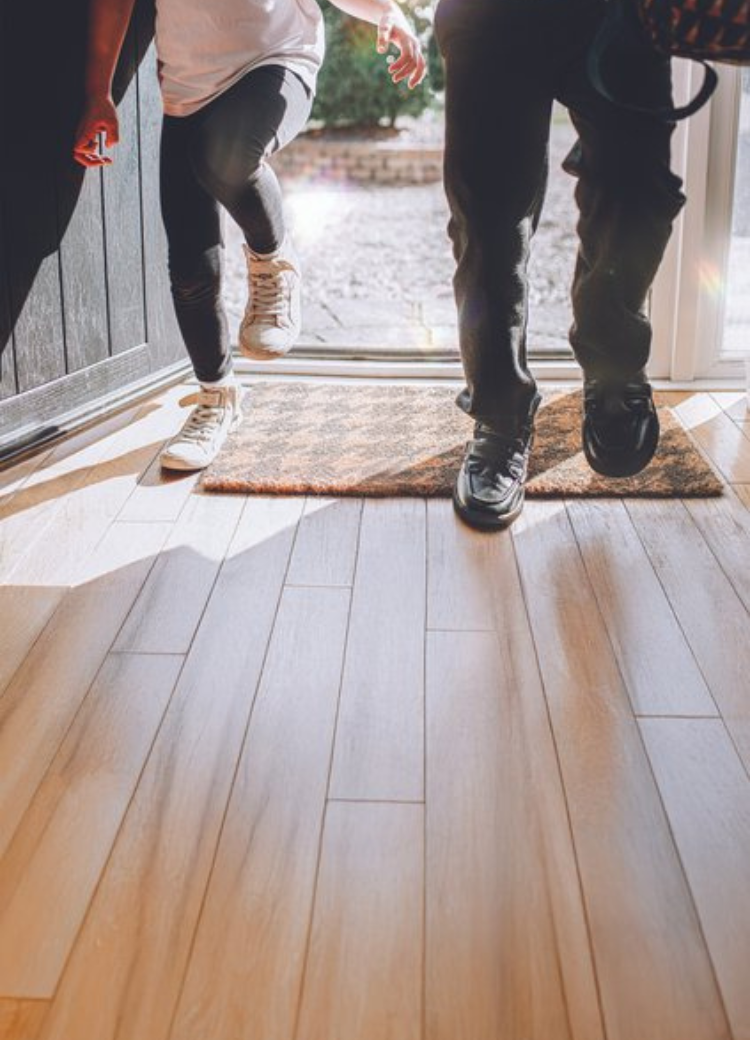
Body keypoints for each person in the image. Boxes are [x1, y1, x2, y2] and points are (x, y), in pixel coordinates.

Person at [74, 0, 426, 470]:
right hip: (187, 88)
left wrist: (388, 12)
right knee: (190, 270)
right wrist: (99, 93)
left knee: (228, 154)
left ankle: (272, 259)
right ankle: (218, 398)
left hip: (277, 58)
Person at [435, 0, 686, 529]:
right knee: (486, 219)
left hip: (622, 12)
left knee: (637, 191)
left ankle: (614, 361)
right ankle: (500, 414)